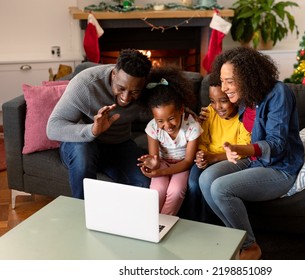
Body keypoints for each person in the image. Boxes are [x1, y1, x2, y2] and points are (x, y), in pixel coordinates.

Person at [198, 46, 304, 260]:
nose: (225, 88)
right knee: (206, 178)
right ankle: (235, 239)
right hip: (254, 160)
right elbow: (224, 115)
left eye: (230, 81)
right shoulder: (246, 97)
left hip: (280, 167)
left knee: (221, 188)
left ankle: (250, 246)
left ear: (248, 76)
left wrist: (240, 149)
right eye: (223, 80)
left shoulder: (279, 94)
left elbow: (277, 144)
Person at [47, 49, 152, 199]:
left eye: (134, 92)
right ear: (114, 74)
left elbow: (167, 102)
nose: (126, 97)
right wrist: (92, 131)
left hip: (119, 144)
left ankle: (123, 219)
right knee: (83, 157)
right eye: (121, 88)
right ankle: (83, 215)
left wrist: (185, 112)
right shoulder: (85, 85)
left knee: (143, 182)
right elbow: (53, 128)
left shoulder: (148, 87)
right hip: (83, 143)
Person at [179, 74, 251, 224]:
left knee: (210, 183)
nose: (217, 107)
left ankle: (209, 223)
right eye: (212, 101)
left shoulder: (243, 118)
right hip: (208, 158)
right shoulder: (210, 112)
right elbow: (203, 140)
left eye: (223, 101)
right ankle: (190, 222)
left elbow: (243, 149)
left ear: (234, 97)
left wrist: (214, 157)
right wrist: (201, 153)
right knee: (192, 182)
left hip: (227, 160)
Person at [137, 67, 202, 215]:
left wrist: (163, 171)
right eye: (160, 121)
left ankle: (164, 224)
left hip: (182, 165)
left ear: (181, 110)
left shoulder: (192, 127)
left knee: (176, 190)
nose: (167, 126)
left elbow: (187, 161)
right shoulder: (152, 127)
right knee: (157, 190)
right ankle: (150, 222)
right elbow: (155, 159)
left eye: (171, 118)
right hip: (163, 163)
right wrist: (153, 164)